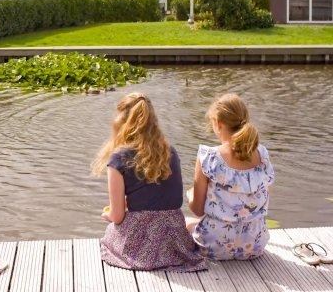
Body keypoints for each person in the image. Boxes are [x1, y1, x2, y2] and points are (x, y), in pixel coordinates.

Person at [93, 92, 206, 272]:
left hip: (140, 247)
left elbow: (118, 216)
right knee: (187, 221)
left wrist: (108, 215)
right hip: (174, 239)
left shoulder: (118, 158)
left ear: (121, 122)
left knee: (110, 234)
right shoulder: (170, 151)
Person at [187, 93, 274, 260]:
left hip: (214, 247)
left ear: (218, 124)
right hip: (255, 246)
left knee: (185, 222)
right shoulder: (262, 154)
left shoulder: (209, 157)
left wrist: (190, 194)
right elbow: (265, 196)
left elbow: (197, 210)